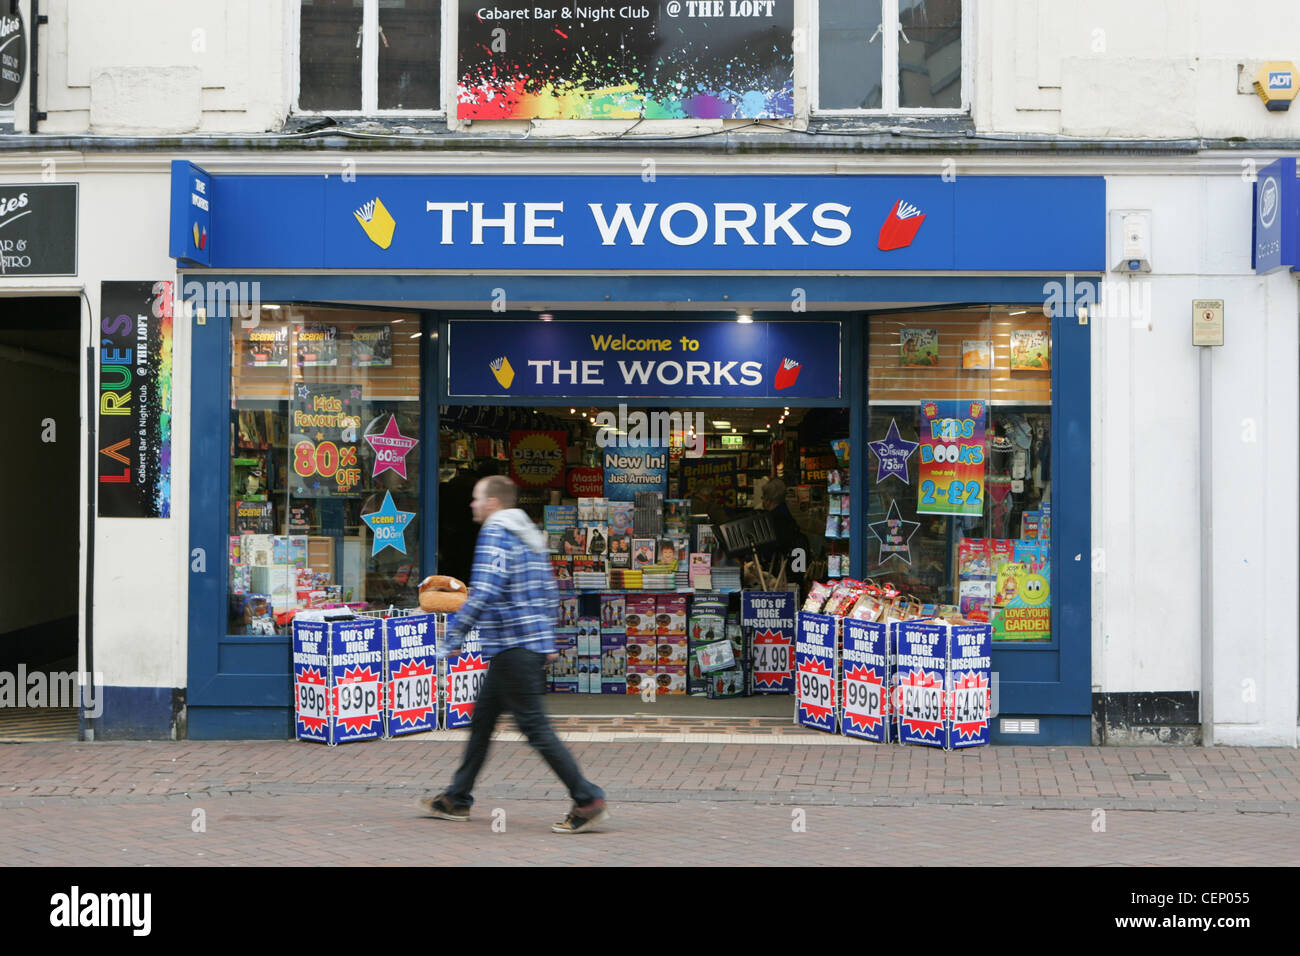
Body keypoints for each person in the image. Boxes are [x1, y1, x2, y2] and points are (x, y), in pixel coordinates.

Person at [417, 475, 609, 834]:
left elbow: (486, 590)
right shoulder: (529, 537)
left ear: (492, 503)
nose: (472, 505)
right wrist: (547, 640)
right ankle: (456, 798)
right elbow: (550, 592)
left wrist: (453, 636)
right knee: (482, 722)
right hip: (525, 646)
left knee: (535, 727)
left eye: (476, 499)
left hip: (512, 647)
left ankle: (587, 799)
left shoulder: (496, 532)